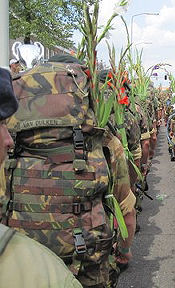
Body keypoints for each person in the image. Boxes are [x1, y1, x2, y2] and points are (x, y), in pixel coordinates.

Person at [0, 67, 82, 288]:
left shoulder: (13, 158)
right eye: (1, 125)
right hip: (81, 258)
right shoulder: (46, 274)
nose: (8, 140)